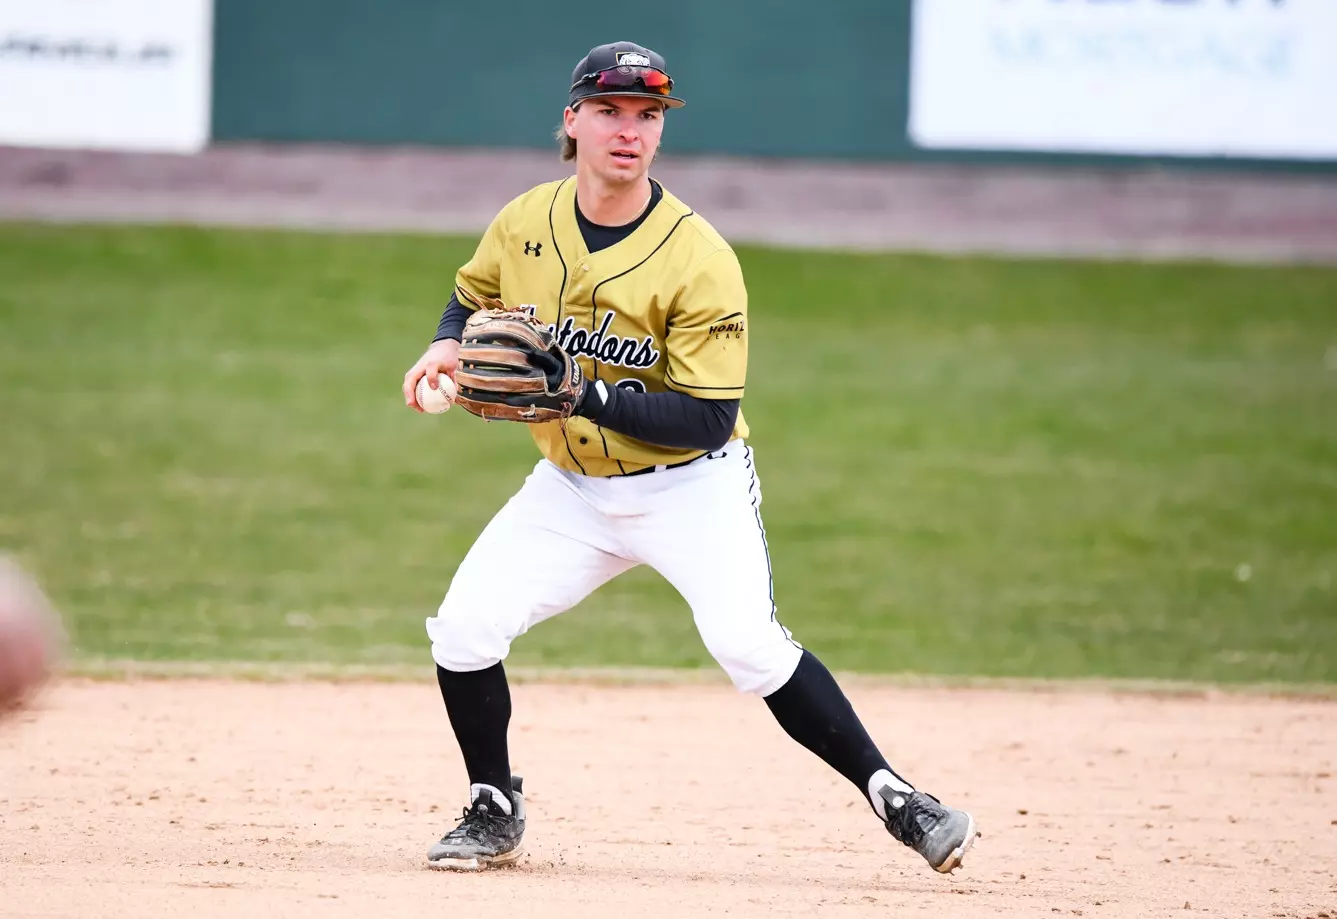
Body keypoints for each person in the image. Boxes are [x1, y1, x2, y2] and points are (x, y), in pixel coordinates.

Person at [401, 40, 979, 875]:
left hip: (690, 490)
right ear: (572, 121)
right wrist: (442, 347)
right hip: (570, 489)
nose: (627, 130)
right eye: (608, 111)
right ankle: (493, 803)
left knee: (749, 644)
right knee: (462, 628)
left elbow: (709, 418)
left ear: (660, 132)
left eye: (646, 116)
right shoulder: (524, 220)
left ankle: (896, 795)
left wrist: (580, 396)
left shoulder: (697, 255)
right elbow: (470, 295)